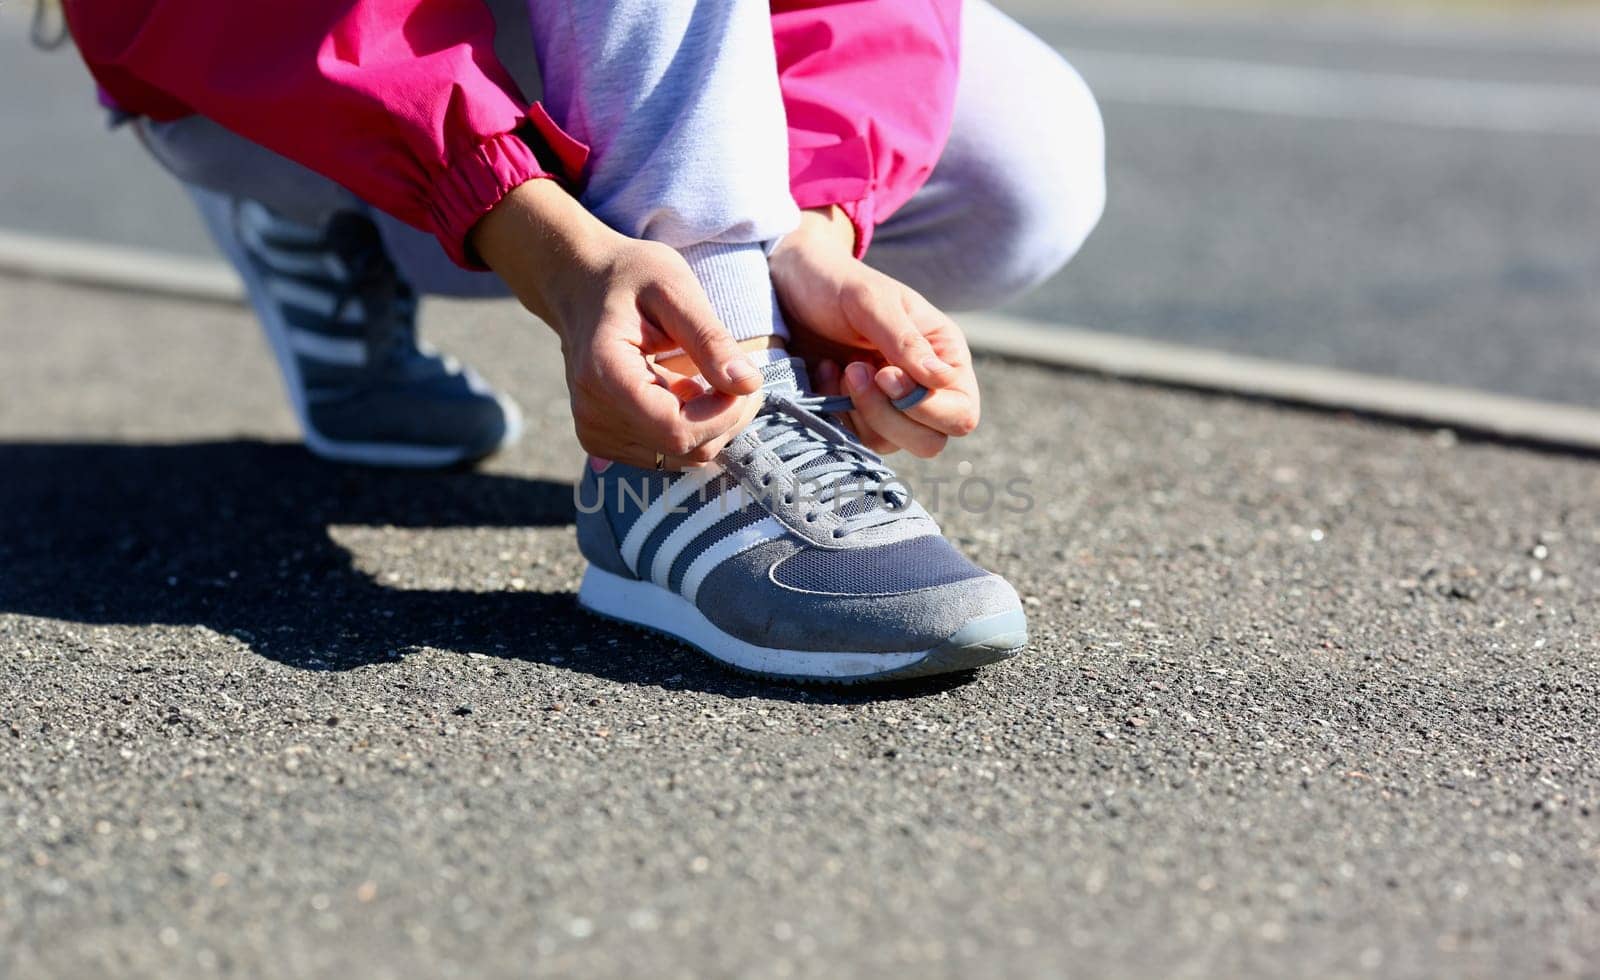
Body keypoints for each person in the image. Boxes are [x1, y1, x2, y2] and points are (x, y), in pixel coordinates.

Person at [61, 0, 1105, 683]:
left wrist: (811, 234)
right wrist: (538, 233)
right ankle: (676, 465)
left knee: (1020, 173)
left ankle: (731, 330)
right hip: (261, 54)